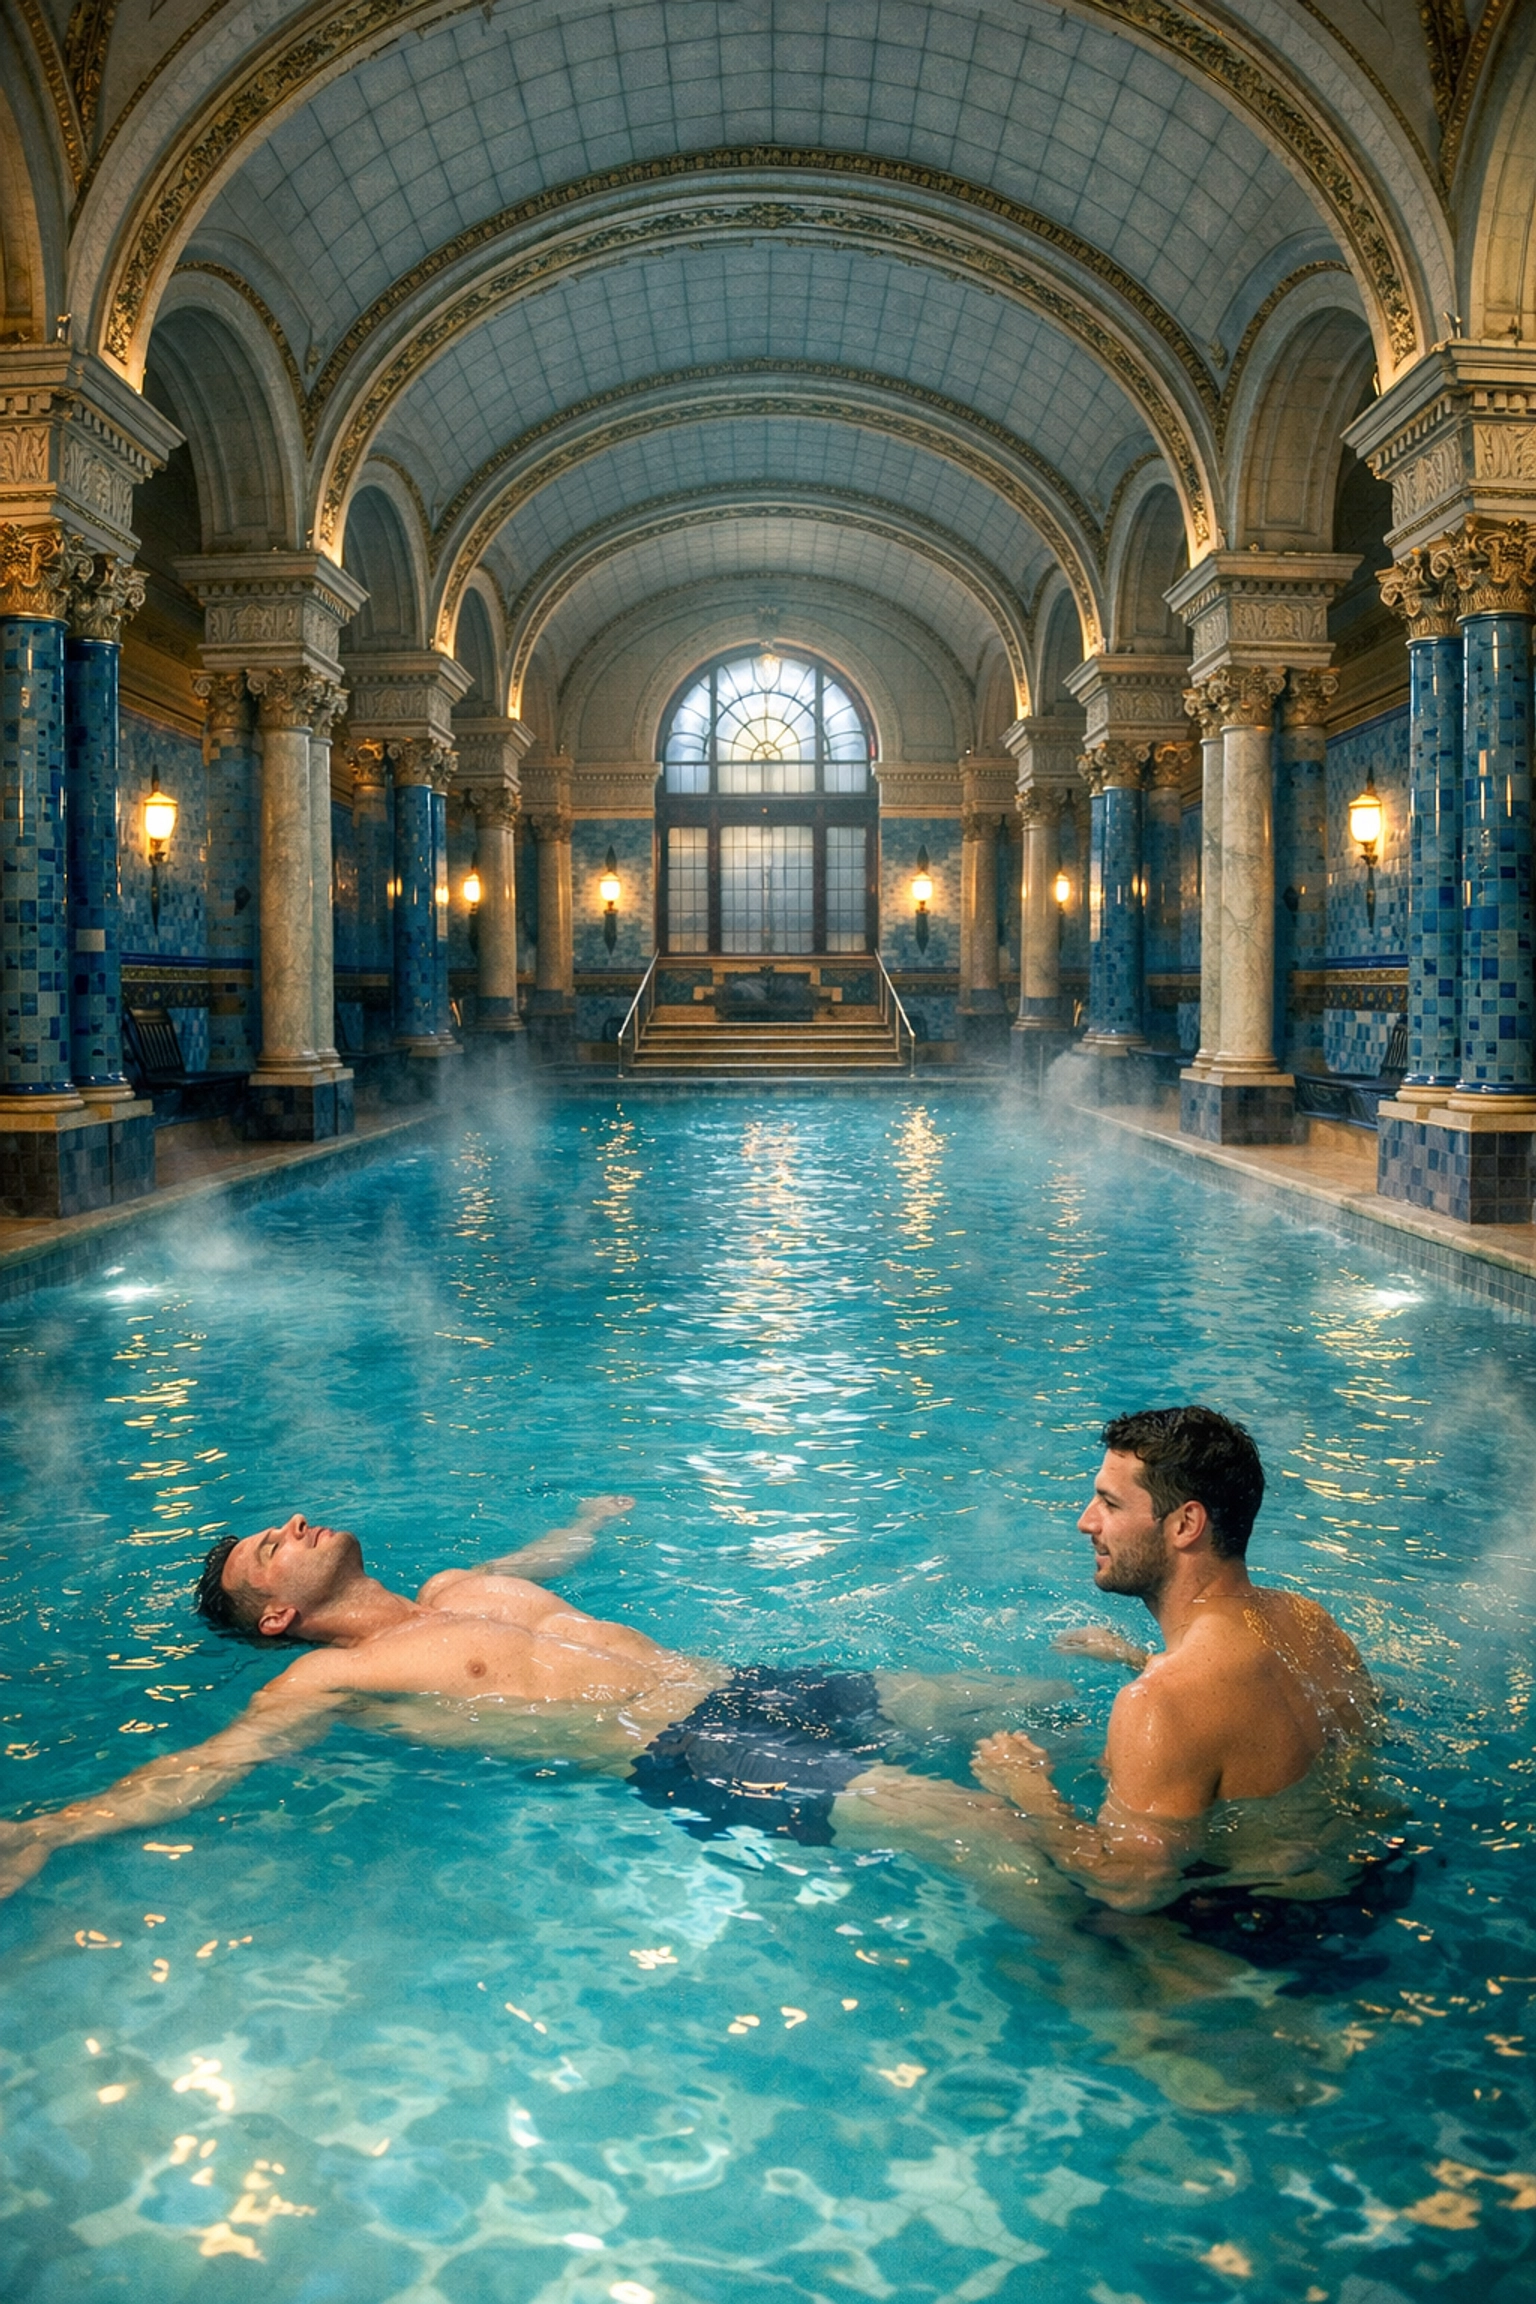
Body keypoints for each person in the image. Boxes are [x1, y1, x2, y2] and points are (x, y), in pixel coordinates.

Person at [0, 1493, 1062, 1902]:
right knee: (979, 1824)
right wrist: (57, 1826)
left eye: (274, 1525)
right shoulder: (325, 1675)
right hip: (682, 1748)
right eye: (265, 1556)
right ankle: (1128, 1978)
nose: (287, 1527)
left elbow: (541, 1558)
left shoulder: (464, 1587)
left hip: (739, 1686)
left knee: (1031, 1698)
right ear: (273, 1618)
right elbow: (209, 1764)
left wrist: (593, 1522)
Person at [968, 1406, 1384, 1914]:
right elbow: (1289, 1720)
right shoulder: (1309, 1621)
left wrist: (1027, 1786)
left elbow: (1128, 1885)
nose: (1085, 1522)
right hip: (1361, 1889)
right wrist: (1137, 1656)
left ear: (1186, 1523)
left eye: (1110, 1504)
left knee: (945, 1816)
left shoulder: (1158, 1702)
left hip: (1248, 1933)